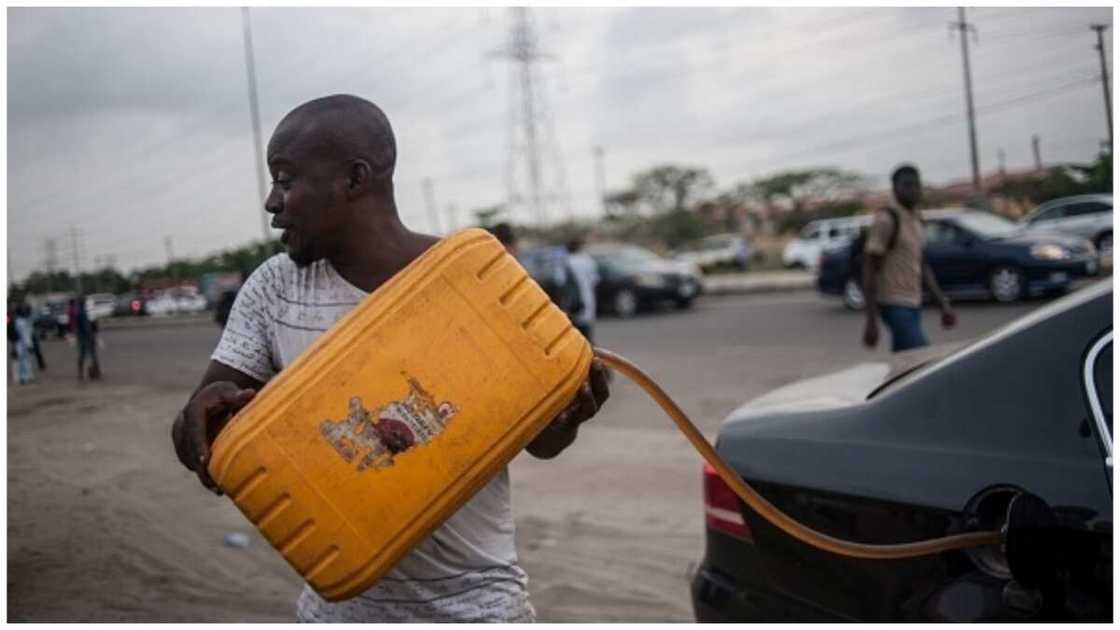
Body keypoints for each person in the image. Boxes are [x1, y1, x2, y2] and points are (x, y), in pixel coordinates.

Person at [170, 94, 611, 623]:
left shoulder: (472, 285)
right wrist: (203, 418)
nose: (271, 201)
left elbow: (541, 443)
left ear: (354, 180)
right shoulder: (274, 289)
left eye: (285, 180)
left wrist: (569, 415)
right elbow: (196, 440)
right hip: (339, 607)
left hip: (479, 607)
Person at [861, 164, 956, 352]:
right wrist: (871, 320)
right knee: (921, 356)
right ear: (895, 188)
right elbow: (869, 268)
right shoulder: (886, 220)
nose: (913, 190)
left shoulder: (916, 218)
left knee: (904, 362)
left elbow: (921, 264)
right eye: (907, 185)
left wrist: (942, 303)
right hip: (893, 303)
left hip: (913, 301)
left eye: (916, 185)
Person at [564, 236, 600, 344]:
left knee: (575, 338)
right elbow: (595, 281)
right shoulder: (588, 261)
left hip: (572, 305)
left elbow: (561, 284)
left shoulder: (566, 262)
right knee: (587, 335)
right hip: (588, 302)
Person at [69, 296, 101, 381]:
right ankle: (96, 372)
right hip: (87, 336)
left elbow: (77, 325)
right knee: (92, 354)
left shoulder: (78, 312)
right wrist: (92, 336)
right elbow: (89, 325)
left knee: (82, 355)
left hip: (81, 337)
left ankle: (81, 374)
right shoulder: (84, 312)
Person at [13, 303, 36, 385]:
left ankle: (25, 377)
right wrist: (29, 345)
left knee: (24, 361)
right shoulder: (21, 322)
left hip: (21, 344)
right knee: (24, 361)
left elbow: (32, 317)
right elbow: (25, 335)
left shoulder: (21, 321)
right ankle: (24, 378)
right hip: (24, 344)